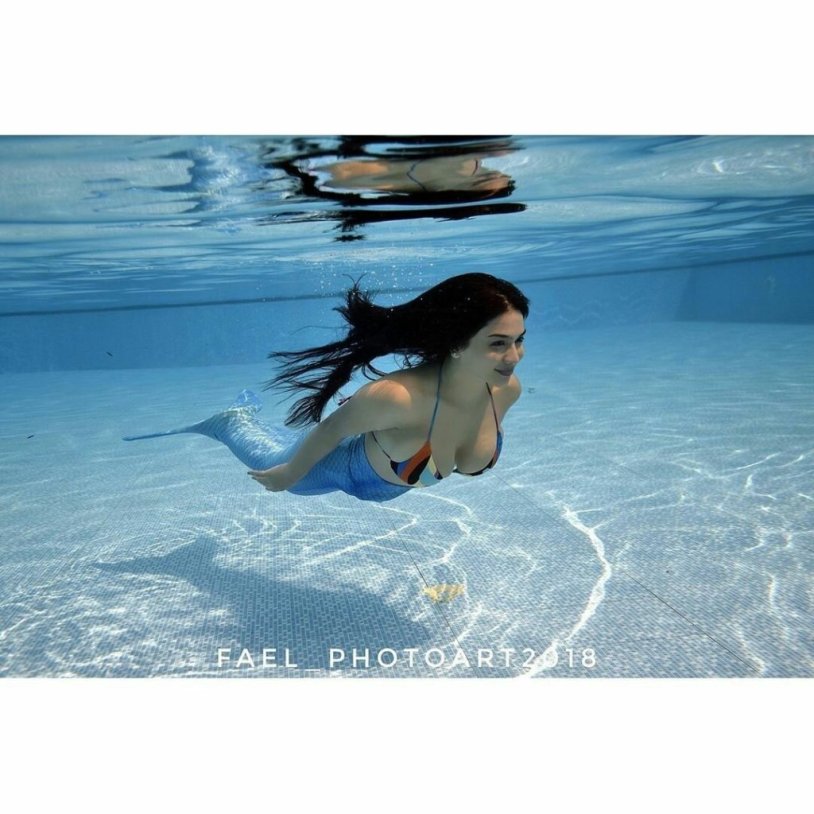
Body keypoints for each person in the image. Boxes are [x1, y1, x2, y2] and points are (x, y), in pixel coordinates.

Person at [123, 273, 529, 502]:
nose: (514, 357)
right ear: (457, 344)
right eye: (498, 344)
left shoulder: (506, 392)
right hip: (339, 466)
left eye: (519, 340)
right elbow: (331, 431)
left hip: (379, 446)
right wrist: (289, 473)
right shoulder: (397, 399)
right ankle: (228, 422)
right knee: (272, 458)